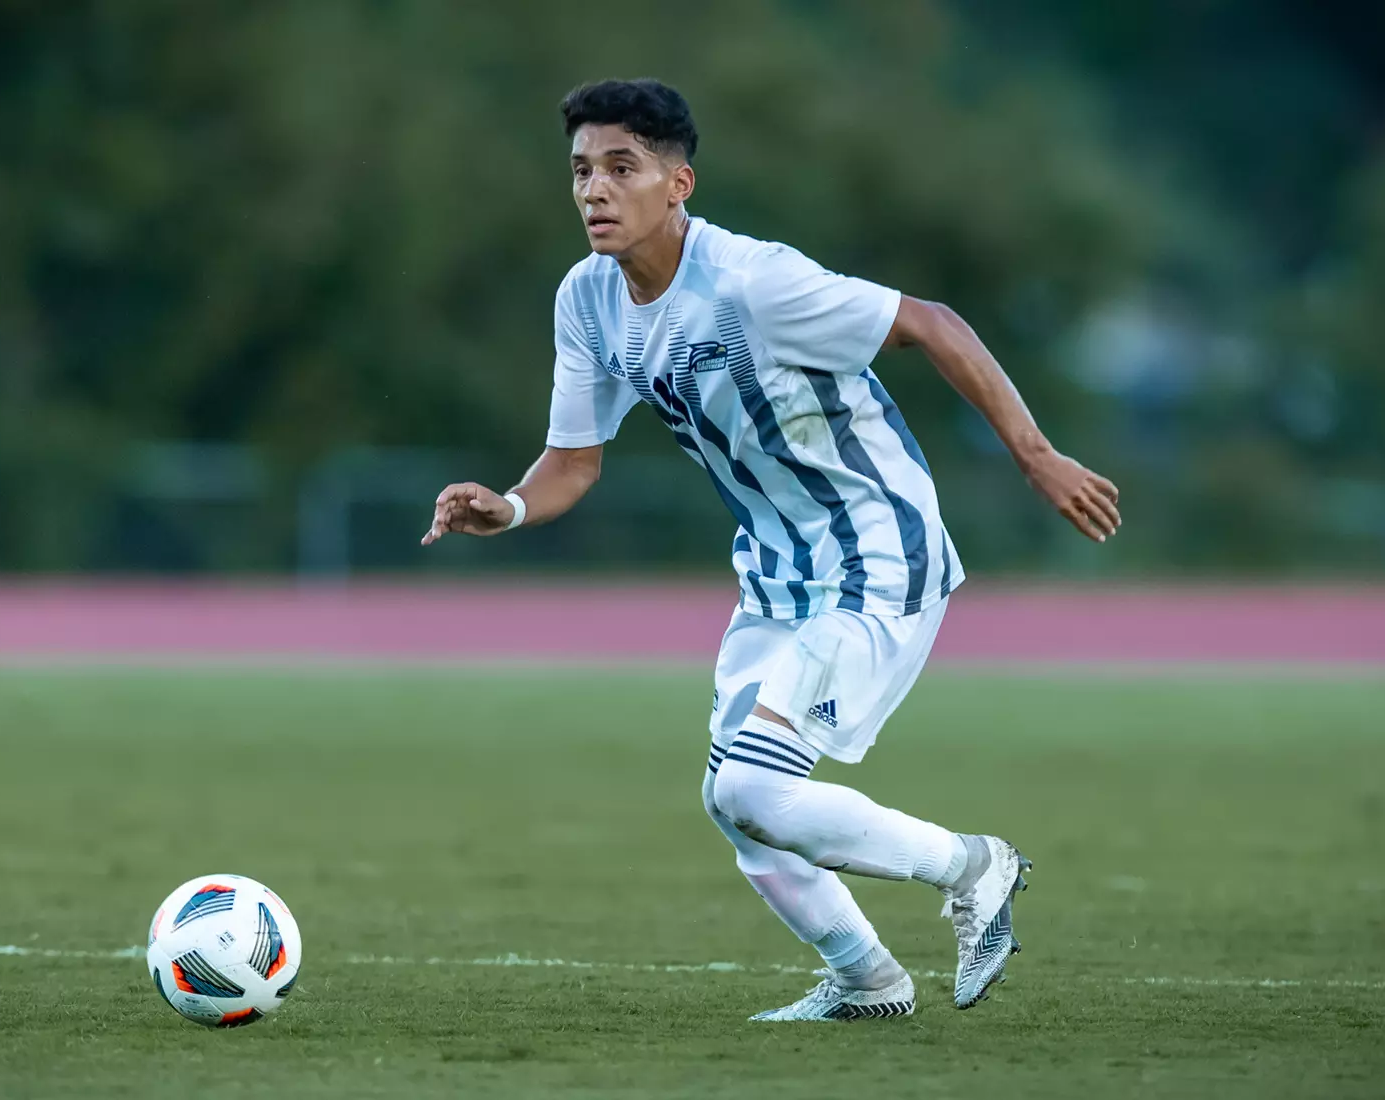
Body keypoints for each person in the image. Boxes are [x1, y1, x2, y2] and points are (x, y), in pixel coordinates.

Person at [422, 78, 1121, 1021]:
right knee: (733, 802)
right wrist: (507, 508)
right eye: (582, 170)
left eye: (622, 168)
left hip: (878, 556)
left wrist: (1036, 456)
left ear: (679, 184)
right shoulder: (586, 298)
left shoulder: (754, 283)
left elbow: (931, 323)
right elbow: (575, 460)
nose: (595, 190)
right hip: (777, 576)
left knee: (755, 785)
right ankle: (867, 979)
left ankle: (973, 866)